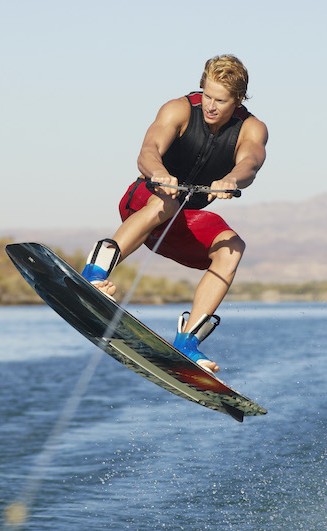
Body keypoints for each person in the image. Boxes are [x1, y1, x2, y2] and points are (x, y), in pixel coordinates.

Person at [81, 54, 268, 374]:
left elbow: (250, 162)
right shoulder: (178, 110)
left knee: (233, 247)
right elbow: (148, 151)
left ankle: (188, 341)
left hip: (181, 223)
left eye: (220, 101)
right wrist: (159, 173)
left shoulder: (252, 129)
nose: (210, 106)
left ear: (237, 100)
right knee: (168, 201)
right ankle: (95, 274)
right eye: (207, 95)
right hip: (145, 201)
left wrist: (232, 179)